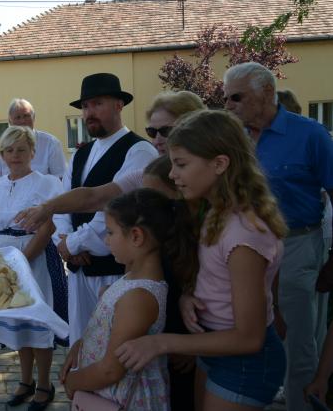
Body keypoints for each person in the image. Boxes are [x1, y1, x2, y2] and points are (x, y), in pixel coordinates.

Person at [116, 109, 287, 410]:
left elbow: (249, 338)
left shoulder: (244, 234)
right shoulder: (216, 210)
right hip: (216, 350)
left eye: (181, 164)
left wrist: (162, 342)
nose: (172, 174)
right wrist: (189, 296)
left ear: (220, 164)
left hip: (242, 364)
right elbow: (218, 277)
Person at [223, 62, 333, 411]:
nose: (229, 106)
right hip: (245, 250)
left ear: (267, 92)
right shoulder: (233, 139)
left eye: (236, 97)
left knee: (299, 340)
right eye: (226, 99)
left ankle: (303, 403)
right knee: (253, 331)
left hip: (297, 245)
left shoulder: (311, 135)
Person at [61, 188, 196, 410]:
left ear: (136, 236)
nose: (106, 240)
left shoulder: (138, 298)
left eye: (111, 233)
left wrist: (74, 381)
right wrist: (81, 345)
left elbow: (110, 370)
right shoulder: (132, 280)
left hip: (126, 401)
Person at [52, 73, 158, 344]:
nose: (89, 112)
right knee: (81, 343)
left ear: (119, 105)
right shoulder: (80, 154)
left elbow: (113, 211)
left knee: (113, 345)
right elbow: (63, 203)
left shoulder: (139, 151)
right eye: (85, 106)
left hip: (116, 271)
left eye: (97, 103)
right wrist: (63, 242)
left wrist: (73, 245)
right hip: (78, 272)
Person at [15, 90, 204, 230]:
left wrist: (77, 242)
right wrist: (52, 216)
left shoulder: (139, 150)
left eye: (166, 131)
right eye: (152, 132)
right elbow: (95, 197)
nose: (157, 140)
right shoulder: (146, 175)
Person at [0, 126, 68, 411]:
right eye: (9, 150)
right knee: (18, 323)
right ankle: (25, 380)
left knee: (37, 321)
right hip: (3, 260)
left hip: (35, 258)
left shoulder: (46, 183)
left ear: (33, 152)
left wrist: (23, 261)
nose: (15, 155)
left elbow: (48, 226)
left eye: (21, 149)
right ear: (1, 154)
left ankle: (44, 384)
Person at [0, 98, 66, 178]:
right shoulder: (4, 145)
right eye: (18, 117)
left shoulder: (51, 143)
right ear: (10, 121)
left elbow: (61, 177)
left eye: (26, 116)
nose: (22, 121)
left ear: (34, 117)